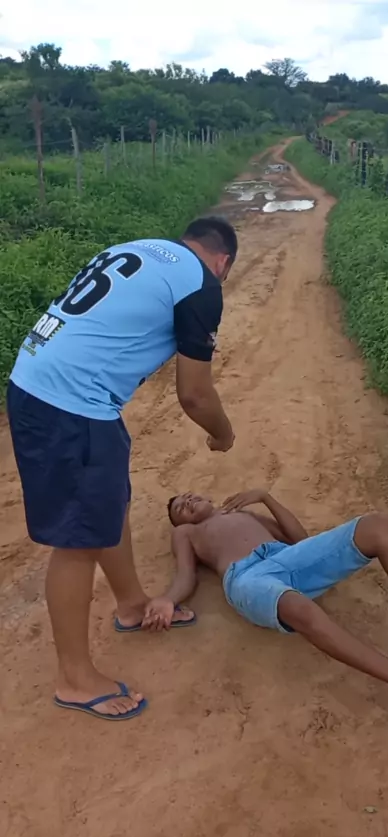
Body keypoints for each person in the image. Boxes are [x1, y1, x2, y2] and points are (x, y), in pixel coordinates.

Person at [7, 217, 237, 721]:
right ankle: (74, 678)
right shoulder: (202, 283)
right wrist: (222, 434)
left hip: (44, 383)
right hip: (69, 405)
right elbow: (195, 395)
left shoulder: (142, 248)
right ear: (222, 262)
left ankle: (131, 606)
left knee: (112, 502)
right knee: (77, 541)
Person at [144, 488, 388, 754]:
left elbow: (300, 540)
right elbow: (186, 575)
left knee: (377, 526)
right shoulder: (187, 532)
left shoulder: (242, 512)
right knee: (301, 610)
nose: (187, 501)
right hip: (247, 577)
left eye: (189, 495)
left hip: (287, 557)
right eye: (179, 508)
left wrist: (266, 498)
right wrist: (168, 599)